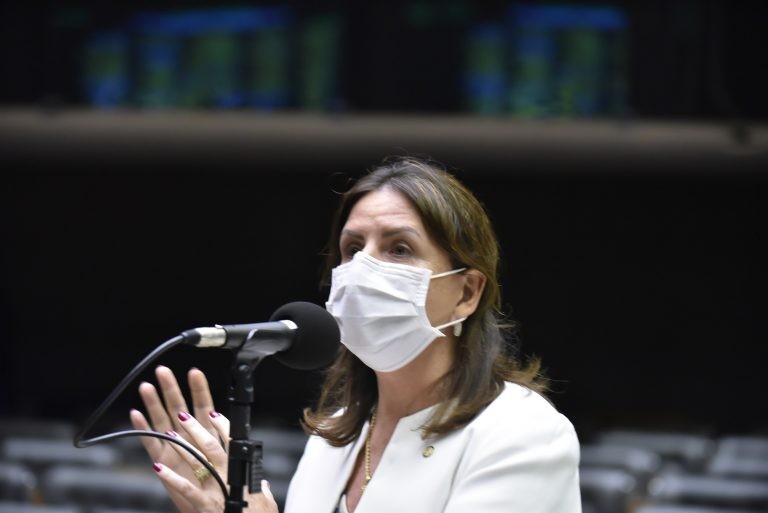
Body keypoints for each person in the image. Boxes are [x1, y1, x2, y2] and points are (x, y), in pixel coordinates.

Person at [129, 157, 582, 513]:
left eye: (398, 248)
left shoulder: (524, 434)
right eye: (352, 248)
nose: (362, 268)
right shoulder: (334, 436)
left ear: (466, 292)